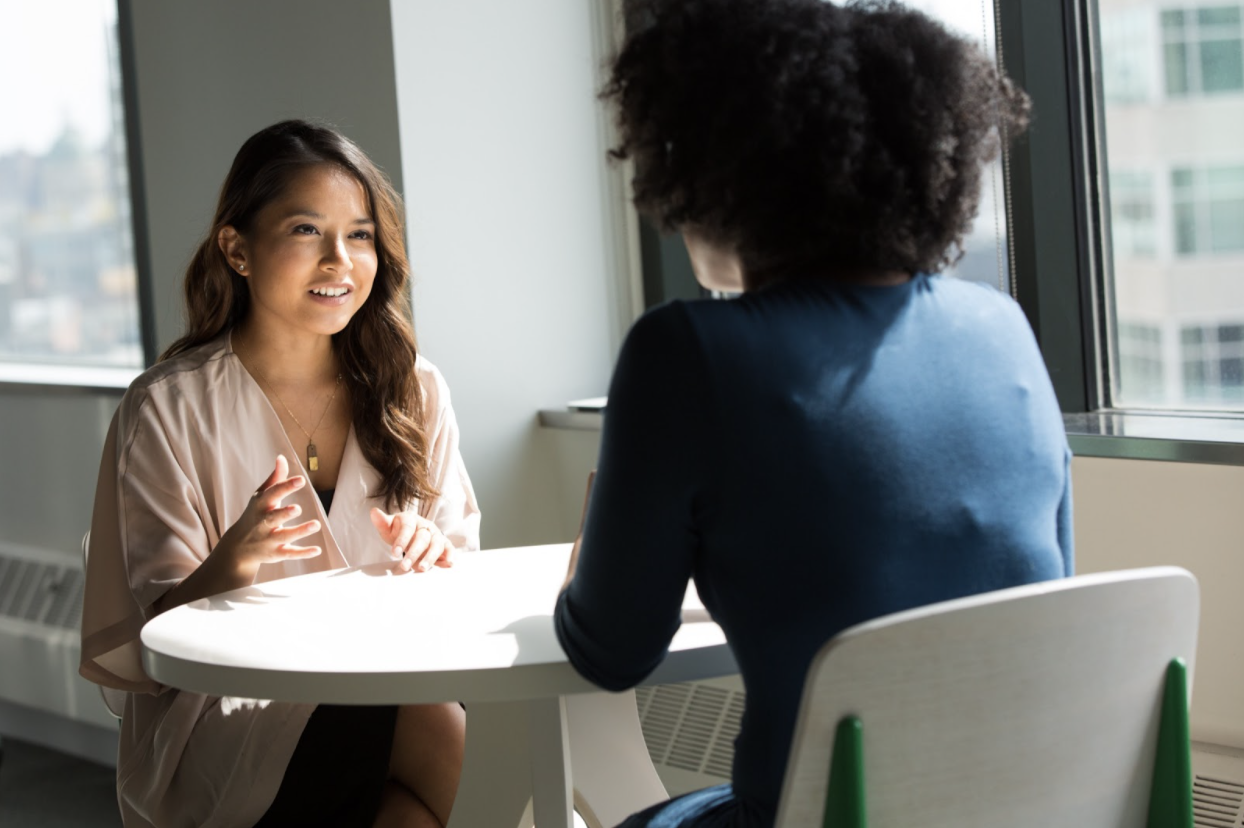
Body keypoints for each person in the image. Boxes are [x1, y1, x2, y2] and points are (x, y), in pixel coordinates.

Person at [553, 1, 1072, 826]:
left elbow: (611, 653)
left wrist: (592, 566)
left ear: (719, 174)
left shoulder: (686, 350)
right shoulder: (1002, 329)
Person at [79, 120, 480, 828]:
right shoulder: (168, 408)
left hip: (394, 684)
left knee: (415, 802)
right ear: (237, 249)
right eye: (306, 230)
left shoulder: (415, 389)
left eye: (359, 235)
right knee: (441, 731)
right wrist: (227, 568)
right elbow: (153, 648)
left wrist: (435, 553)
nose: (340, 261)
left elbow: (464, 580)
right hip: (227, 720)